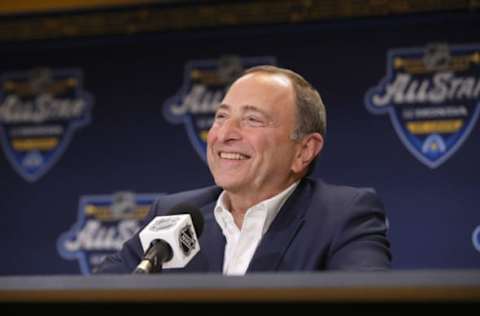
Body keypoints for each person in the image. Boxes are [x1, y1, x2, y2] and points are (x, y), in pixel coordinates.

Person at [96, 65, 391, 274]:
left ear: (304, 150)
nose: (225, 134)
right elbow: (94, 297)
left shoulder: (343, 216)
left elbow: (366, 303)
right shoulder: (173, 215)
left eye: (252, 120)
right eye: (221, 117)